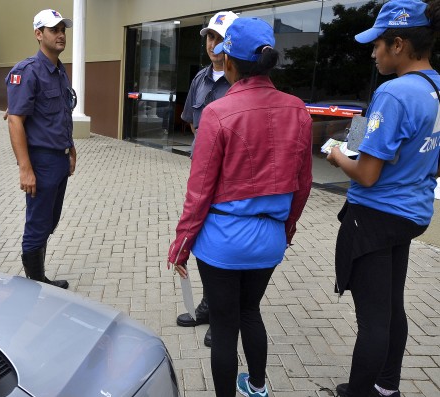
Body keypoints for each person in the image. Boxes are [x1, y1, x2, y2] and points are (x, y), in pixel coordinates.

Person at [167, 17, 312, 397]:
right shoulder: (298, 109)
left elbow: (198, 192)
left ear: (228, 61)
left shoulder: (218, 113)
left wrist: (182, 243)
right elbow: (303, 184)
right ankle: (258, 386)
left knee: (226, 324)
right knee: (251, 312)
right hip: (269, 240)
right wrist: (287, 228)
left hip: (222, 242)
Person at [326, 0, 440, 396]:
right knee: (392, 306)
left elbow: (368, 175)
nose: (372, 53)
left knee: (374, 320)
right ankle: (387, 386)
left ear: (398, 44)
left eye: (377, 44)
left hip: (375, 216)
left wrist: (338, 155)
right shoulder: (436, 86)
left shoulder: (393, 93)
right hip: (412, 213)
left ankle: (360, 392)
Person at [176, 10, 238, 348]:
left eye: (220, 37)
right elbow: (192, 122)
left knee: (225, 248)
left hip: (232, 181)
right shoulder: (200, 79)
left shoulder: (240, 82)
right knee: (201, 241)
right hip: (203, 176)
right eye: (210, 37)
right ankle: (208, 304)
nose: (213, 44)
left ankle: (224, 316)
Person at [5, 9, 77, 290]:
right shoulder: (27, 72)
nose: (60, 34)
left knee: (50, 220)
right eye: (53, 29)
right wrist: (25, 168)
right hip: (41, 161)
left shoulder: (59, 71)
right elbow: (15, 121)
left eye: (63, 29)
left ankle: (39, 277)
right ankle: (34, 287)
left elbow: (61, 113)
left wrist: (70, 148)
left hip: (59, 159)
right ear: (39, 34)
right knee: (37, 224)